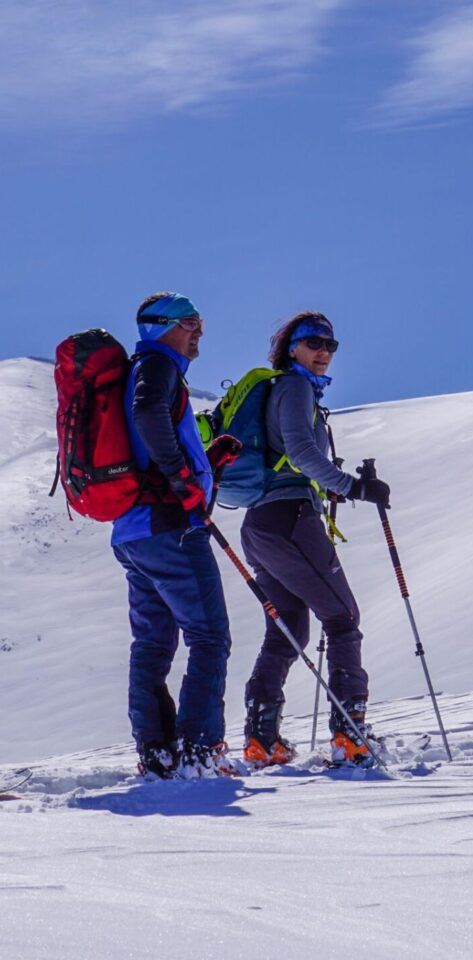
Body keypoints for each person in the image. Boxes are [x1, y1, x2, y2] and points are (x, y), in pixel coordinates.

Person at [240, 311, 390, 767]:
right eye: (314, 343)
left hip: (261, 525)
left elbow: (291, 456)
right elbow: (301, 452)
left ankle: (261, 741)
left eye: (331, 345)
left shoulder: (284, 389)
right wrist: (352, 486)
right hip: (290, 519)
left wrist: (328, 487)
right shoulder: (295, 387)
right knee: (342, 618)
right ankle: (350, 734)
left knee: (288, 630)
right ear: (292, 348)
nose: (324, 352)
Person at [112, 292, 234, 779]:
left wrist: (206, 461)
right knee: (209, 636)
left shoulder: (145, 370)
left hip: (134, 532)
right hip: (171, 528)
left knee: (152, 644)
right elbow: (148, 416)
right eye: (189, 321)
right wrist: (185, 481)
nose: (198, 329)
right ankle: (200, 751)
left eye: (200, 320)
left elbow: (152, 431)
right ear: (158, 327)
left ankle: (157, 752)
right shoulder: (158, 365)